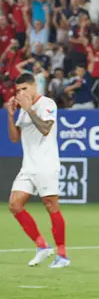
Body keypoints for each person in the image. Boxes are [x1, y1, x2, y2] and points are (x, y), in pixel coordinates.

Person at [5, 72, 69, 268]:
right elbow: (14, 138)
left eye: (25, 88)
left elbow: (45, 128)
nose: (21, 93)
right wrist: (10, 115)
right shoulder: (24, 110)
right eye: (18, 90)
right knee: (15, 204)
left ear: (34, 86)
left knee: (51, 206)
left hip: (46, 164)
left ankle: (62, 255)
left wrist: (29, 109)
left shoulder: (47, 104)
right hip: (28, 165)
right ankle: (42, 246)